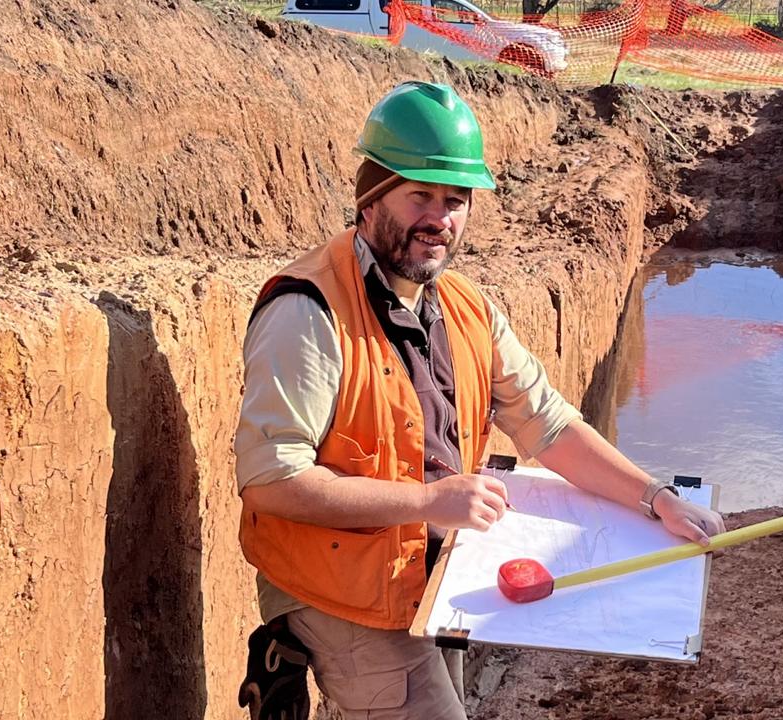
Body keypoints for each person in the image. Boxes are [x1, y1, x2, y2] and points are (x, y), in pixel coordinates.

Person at [233, 81, 725, 720]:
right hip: (338, 589)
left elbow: (548, 426)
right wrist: (429, 502)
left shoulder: (466, 309)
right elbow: (271, 482)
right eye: (420, 195)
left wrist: (653, 497)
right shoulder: (309, 312)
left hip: (435, 570)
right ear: (371, 196)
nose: (439, 218)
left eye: (455, 199)